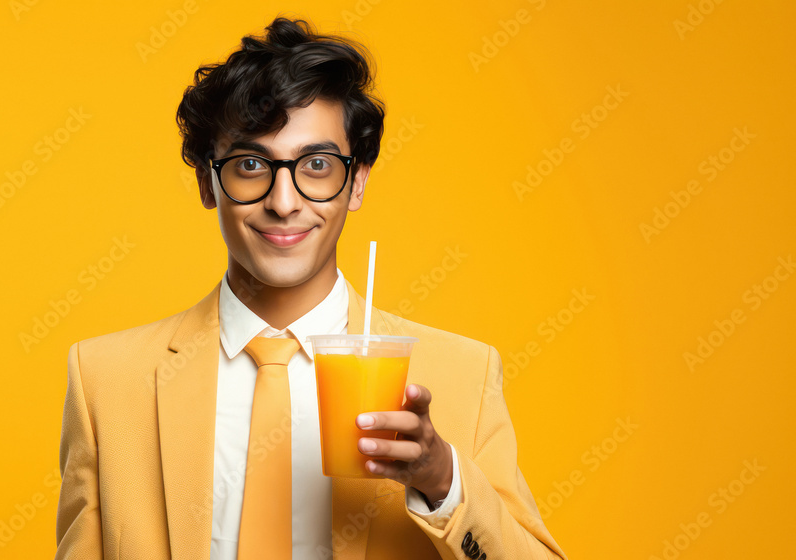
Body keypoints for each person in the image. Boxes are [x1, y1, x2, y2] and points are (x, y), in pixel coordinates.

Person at [55, 16, 566, 560]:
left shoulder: (463, 375)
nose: (283, 200)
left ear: (357, 181)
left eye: (316, 165)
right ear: (209, 181)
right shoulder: (106, 382)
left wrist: (443, 482)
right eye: (251, 163)